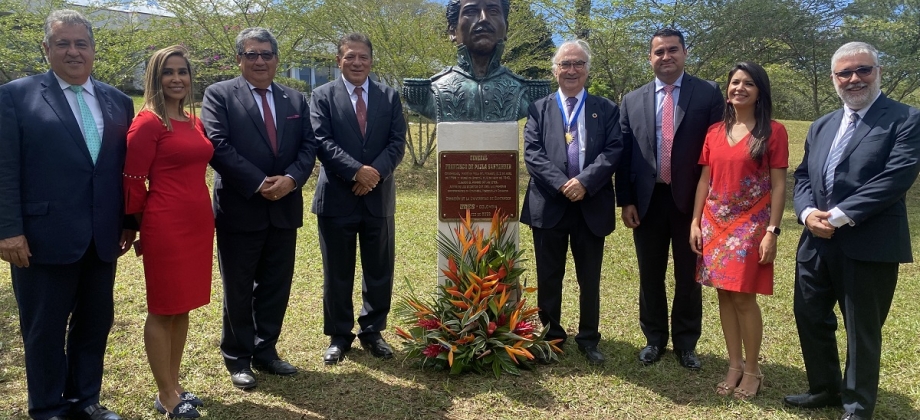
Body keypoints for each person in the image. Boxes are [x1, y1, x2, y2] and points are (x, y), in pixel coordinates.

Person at [0, 9, 133, 420]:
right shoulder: (14, 96)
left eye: (81, 44)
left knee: (95, 323)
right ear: (46, 49)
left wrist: (128, 221)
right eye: (63, 43)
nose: (73, 51)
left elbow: (123, 171)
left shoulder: (118, 101)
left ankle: (85, 399)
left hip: (102, 235)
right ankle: (47, 407)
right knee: (44, 330)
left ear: (93, 50)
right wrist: (8, 230)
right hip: (41, 238)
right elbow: (4, 168)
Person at [786, 42, 920, 420]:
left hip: (869, 241)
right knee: (810, 315)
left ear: (879, 71)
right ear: (834, 79)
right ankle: (824, 388)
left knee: (862, 327)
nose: (854, 79)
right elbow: (802, 176)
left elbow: (896, 177)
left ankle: (857, 405)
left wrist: (839, 215)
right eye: (844, 73)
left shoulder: (906, 118)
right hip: (815, 240)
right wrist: (808, 212)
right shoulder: (822, 124)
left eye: (863, 69)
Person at [199, 27, 317, 390]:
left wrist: (292, 180)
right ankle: (238, 356)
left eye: (267, 54)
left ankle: (266, 350)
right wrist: (259, 182)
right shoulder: (218, 94)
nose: (260, 60)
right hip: (241, 205)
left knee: (276, 284)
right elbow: (217, 144)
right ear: (240, 59)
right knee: (238, 286)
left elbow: (308, 146)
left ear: (277, 59)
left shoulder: (295, 99)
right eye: (252, 54)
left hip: (285, 205)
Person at [615, 28, 724, 370]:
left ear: (684, 53)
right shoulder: (633, 100)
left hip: (691, 203)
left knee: (689, 275)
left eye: (672, 50)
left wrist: (710, 205)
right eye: (659, 51)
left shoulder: (708, 94)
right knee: (650, 273)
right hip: (647, 202)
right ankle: (654, 339)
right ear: (650, 58)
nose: (666, 56)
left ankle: (686, 343)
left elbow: (718, 151)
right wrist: (626, 200)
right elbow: (624, 154)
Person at [689, 62, 788, 399]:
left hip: (751, 227)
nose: (739, 88)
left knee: (744, 298)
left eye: (748, 83)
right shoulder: (714, 131)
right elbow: (705, 180)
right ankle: (733, 364)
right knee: (723, 295)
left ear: (760, 91)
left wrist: (773, 231)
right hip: (714, 224)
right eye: (734, 82)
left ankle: (753, 369)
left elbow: (778, 186)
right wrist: (694, 221)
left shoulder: (773, 132)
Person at [520, 39, 623, 365]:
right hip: (550, 203)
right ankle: (551, 337)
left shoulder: (606, 108)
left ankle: (589, 338)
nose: (572, 70)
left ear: (587, 69)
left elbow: (613, 151)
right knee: (549, 276)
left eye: (578, 63)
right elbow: (532, 153)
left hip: (590, 204)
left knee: (589, 277)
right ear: (555, 70)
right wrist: (564, 184)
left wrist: (584, 182)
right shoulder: (538, 108)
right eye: (565, 64)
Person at [123, 46, 213, 418]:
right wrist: (139, 225)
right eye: (168, 72)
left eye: (183, 72)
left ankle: (174, 385)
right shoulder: (147, 123)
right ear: (155, 78)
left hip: (198, 224)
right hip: (166, 226)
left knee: (182, 307)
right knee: (163, 310)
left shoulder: (194, 120)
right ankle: (165, 395)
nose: (177, 78)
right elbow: (131, 181)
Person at [310, 33, 407, 365]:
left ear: (371, 60)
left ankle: (373, 331)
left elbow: (397, 143)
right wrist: (356, 172)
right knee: (337, 271)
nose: (356, 63)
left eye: (362, 57)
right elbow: (321, 141)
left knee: (379, 269)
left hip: (377, 198)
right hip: (337, 197)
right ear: (338, 61)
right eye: (349, 57)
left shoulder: (389, 97)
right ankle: (339, 335)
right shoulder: (322, 95)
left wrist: (373, 174)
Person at [402, 0, 549, 122]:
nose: (484, 18)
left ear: (506, 29)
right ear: (453, 31)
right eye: (471, 11)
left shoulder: (529, 94)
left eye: (493, 11)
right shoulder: (427, 93)